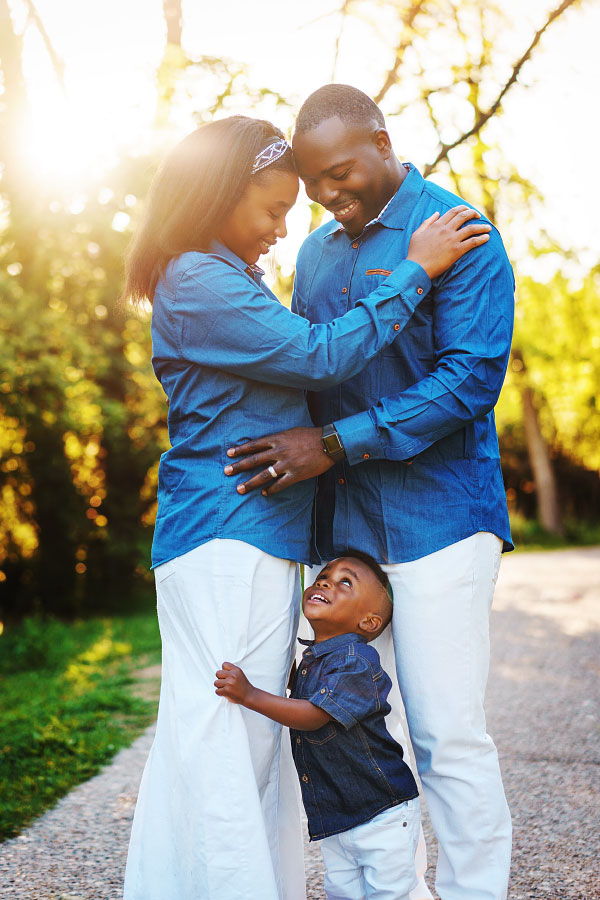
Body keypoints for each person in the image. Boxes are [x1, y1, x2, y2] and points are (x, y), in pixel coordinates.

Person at [120, 114, 490, 900]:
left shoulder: (227, 274)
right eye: (271, 209)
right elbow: (318, 356)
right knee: (226, 739)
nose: (286, 229)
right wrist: (415, 272)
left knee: (241, 741)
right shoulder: (198, 276)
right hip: (226, 531)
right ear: (218, 196)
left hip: (258, 533)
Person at [224, 85, 515, 900]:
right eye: (314, 181)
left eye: (342, 171)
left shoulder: (461, 232)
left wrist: (332, 444)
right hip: (345, 536)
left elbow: (467, 383)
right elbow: (311, 367)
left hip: (442, 519)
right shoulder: (315, 255)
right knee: (353, 730)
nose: (327, 194)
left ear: (385, 144)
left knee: (446, 733)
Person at [215, 552, 421, 900]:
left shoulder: (356, 663)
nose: (325, 582)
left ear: (369, 623)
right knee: (341, 891)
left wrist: (250, 695)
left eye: (345, 583)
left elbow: (312, 715)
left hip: (381, 814)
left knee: (391, 893)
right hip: (339, 816)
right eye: (324, 575)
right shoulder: (314, 660)